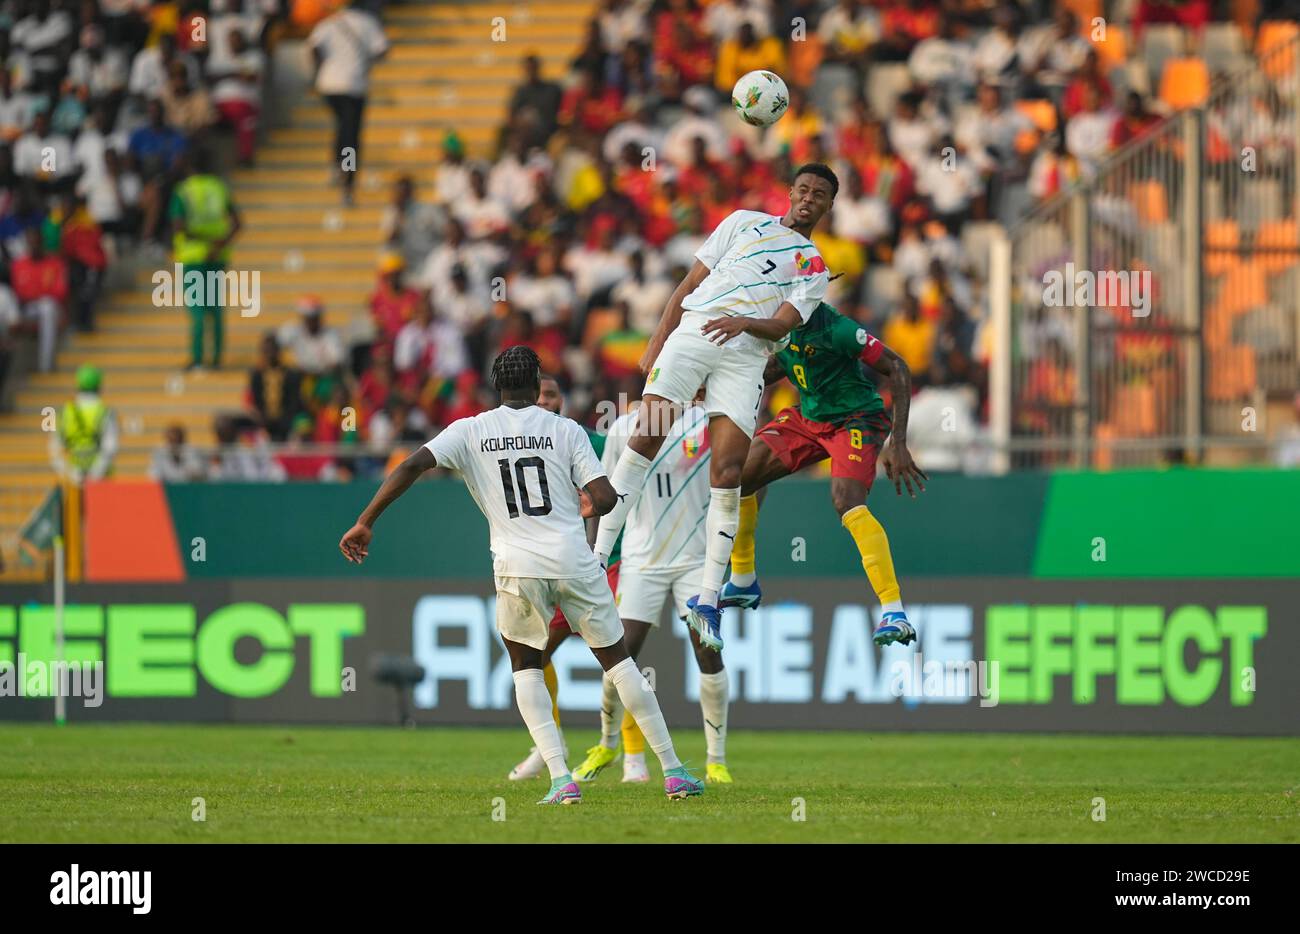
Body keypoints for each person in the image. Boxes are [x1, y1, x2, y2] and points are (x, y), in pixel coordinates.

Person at [341, 346, 704, 804]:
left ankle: (560, 779)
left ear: (498, 387)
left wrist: (366, 520)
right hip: (574, 559)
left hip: (517, 566)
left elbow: (412, 465)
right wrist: (593, 501)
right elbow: (605, 498)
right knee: (619, 663)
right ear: (538, 387)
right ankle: (672, 771)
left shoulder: (470, 430)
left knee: (526, 669)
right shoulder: (565, 430)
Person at [593, 163, 837, 653]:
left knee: (728, 471)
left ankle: (708, 601)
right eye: (804, 189)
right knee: (645, 435)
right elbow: (686, 287)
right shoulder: (743, 221)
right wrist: (657, 343)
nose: (809, 198)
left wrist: (745, 323)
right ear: (790, 192)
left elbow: (782, 326)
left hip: (745, 357)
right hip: (697, 331)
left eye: (820, 195)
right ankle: (597, 562)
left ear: (829, 206)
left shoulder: (813, 266)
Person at [721, 302, 927, 646]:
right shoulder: (779, 325)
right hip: (809, 417)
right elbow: (780, 365)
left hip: (855, 419)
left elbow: (897, 367)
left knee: (847, 501)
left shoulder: (839, 329)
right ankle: (743, 579)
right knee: (739, 475)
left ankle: (895, 612)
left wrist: (898, 441)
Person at [572, 389, 735, 786]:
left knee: (707, 651)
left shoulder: (709, 423)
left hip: (695, 559)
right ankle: (607, 743)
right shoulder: (625, 429)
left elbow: (744, 474)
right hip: (641, 559)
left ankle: (716, 760)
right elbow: (602, 496)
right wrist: (598, 554)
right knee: (620, 654)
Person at [308, 0, 389, 205]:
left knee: (343, 127)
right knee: (351, 138)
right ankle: (347, 180)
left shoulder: (330, 22)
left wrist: (319, 68)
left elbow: (314, 46)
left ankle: (337, 165)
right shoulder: (367, 22)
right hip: (354, 86)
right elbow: (381, 50)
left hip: (328, 84)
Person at [170, 149, 241, 370]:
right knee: (216, 309)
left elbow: (179, 227)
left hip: (193, 257)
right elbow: (238, 223)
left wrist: (206, 241)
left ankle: (199, 358)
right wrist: (219, 243)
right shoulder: (219, 187)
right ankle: (217, 358)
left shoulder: (184, 191)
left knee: (198, 310)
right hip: (217, 257)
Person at [50, 364, 118, 483]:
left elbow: (54, 449)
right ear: (99, 386)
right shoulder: (105, 412)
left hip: (72, 483)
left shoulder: (65, 412)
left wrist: (72, 474)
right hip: (102, 483)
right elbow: (110, 448)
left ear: (78, 385)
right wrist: (94, 475)